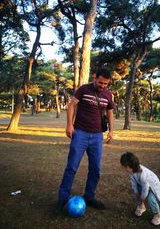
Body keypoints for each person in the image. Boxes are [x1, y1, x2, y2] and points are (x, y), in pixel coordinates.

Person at [55, 68, 115, 213]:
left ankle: (89, 197)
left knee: (96, 169)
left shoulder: (108, 94)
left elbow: (110, 112)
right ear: (94, 78)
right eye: (100, 82)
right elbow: (71, 105)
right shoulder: (83, 89)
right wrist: (69, 125)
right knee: (71, 167)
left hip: (97, 136)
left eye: (106, 84)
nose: (102, 86)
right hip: (80, 134)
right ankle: (62, 199)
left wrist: (112, 131)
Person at [120, 152, 160, 226]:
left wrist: (143, 197)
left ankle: (158, 215)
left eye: (125, 166)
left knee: (150, 199)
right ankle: (141, 206)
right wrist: (136, 191)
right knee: (136, 194)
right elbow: (133, 182)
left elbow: (146, 187)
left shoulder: (143, 173)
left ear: (131, 165)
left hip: (153, 187)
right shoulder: (131, 171)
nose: (124, 168)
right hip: (142, 185)